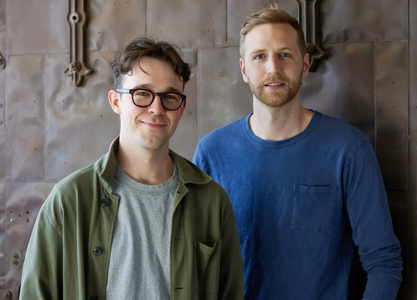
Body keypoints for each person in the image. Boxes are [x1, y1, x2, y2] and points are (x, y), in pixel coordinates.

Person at [193, 4, 402, 300]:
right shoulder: (211, 153)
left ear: (304, 64)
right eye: (259, 56)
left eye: (284, 54)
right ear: (244, 69)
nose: (273, 68)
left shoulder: (348, 149)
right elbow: (196, 264)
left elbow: (384, 262)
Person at [20, 36, 243, 300]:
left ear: (181, 108)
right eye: (142, 94)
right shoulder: (69, 200)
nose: (156, 108)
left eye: (169, 96)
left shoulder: (213, 202)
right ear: (116, 101)